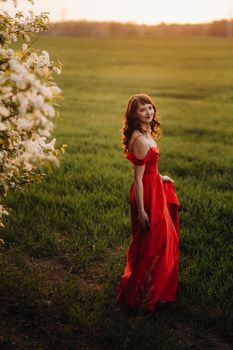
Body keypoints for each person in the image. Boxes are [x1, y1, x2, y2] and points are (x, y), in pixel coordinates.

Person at [117, 94, 180, 314]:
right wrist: (142, 210)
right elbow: (138, 177)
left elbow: (149, 170)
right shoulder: (142, 140)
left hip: (153, 186)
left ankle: (154, 289)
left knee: (158, 240)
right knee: (156, 242)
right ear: (134, 114)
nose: (149, 112)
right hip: (147, 194)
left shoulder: (145, 134)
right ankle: (141, 296)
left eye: (150, 107)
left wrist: (161, 178)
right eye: (143, 109)